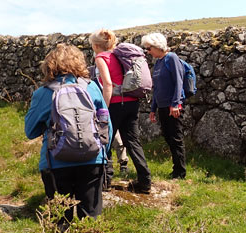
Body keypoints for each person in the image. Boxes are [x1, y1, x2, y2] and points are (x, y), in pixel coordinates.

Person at [25, 43, 112, 222]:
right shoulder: (91, 87)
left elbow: (30, 131)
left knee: (60, 220)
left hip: (56, 163)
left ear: (49, 65)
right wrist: (100, 152)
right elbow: (107, 125)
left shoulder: (43, 93)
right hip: (92, 160)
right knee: (90, 220)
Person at [89, 29, 152, 194]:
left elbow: (108, 84)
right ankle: (145, 182)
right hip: (132, 102)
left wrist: (104, 108)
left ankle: (105, 181)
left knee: (106, 141)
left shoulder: (101, 58)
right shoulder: (118, 55)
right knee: (133, 142)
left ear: (96, 45)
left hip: (116, 104)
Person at [141, 33, 187, 180]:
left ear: (157, 46)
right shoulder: (159, 62)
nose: (148, 52)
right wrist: (153, 109)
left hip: (172, 106)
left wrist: (175, 104)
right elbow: (157, 88)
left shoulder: (171, 58)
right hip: (162, 106)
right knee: (168, 137)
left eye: (149, 48)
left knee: (176, 138)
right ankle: (176, 169)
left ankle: (180, 172)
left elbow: (179, 82)